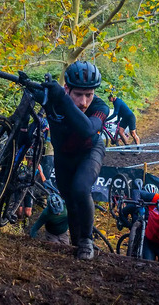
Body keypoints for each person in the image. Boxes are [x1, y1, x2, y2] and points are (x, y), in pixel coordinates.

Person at [39, 61, 109, 260]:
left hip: (90, 152)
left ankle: (87, 240)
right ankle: (76, 243)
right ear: (67, 88)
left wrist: (63, 98)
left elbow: (87, 128)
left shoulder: (100, 107)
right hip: (63, 156)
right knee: (69, 200)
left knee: (80, 189)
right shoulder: (57, 98)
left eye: (89, 94)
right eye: (78, 94)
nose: (84, 102)